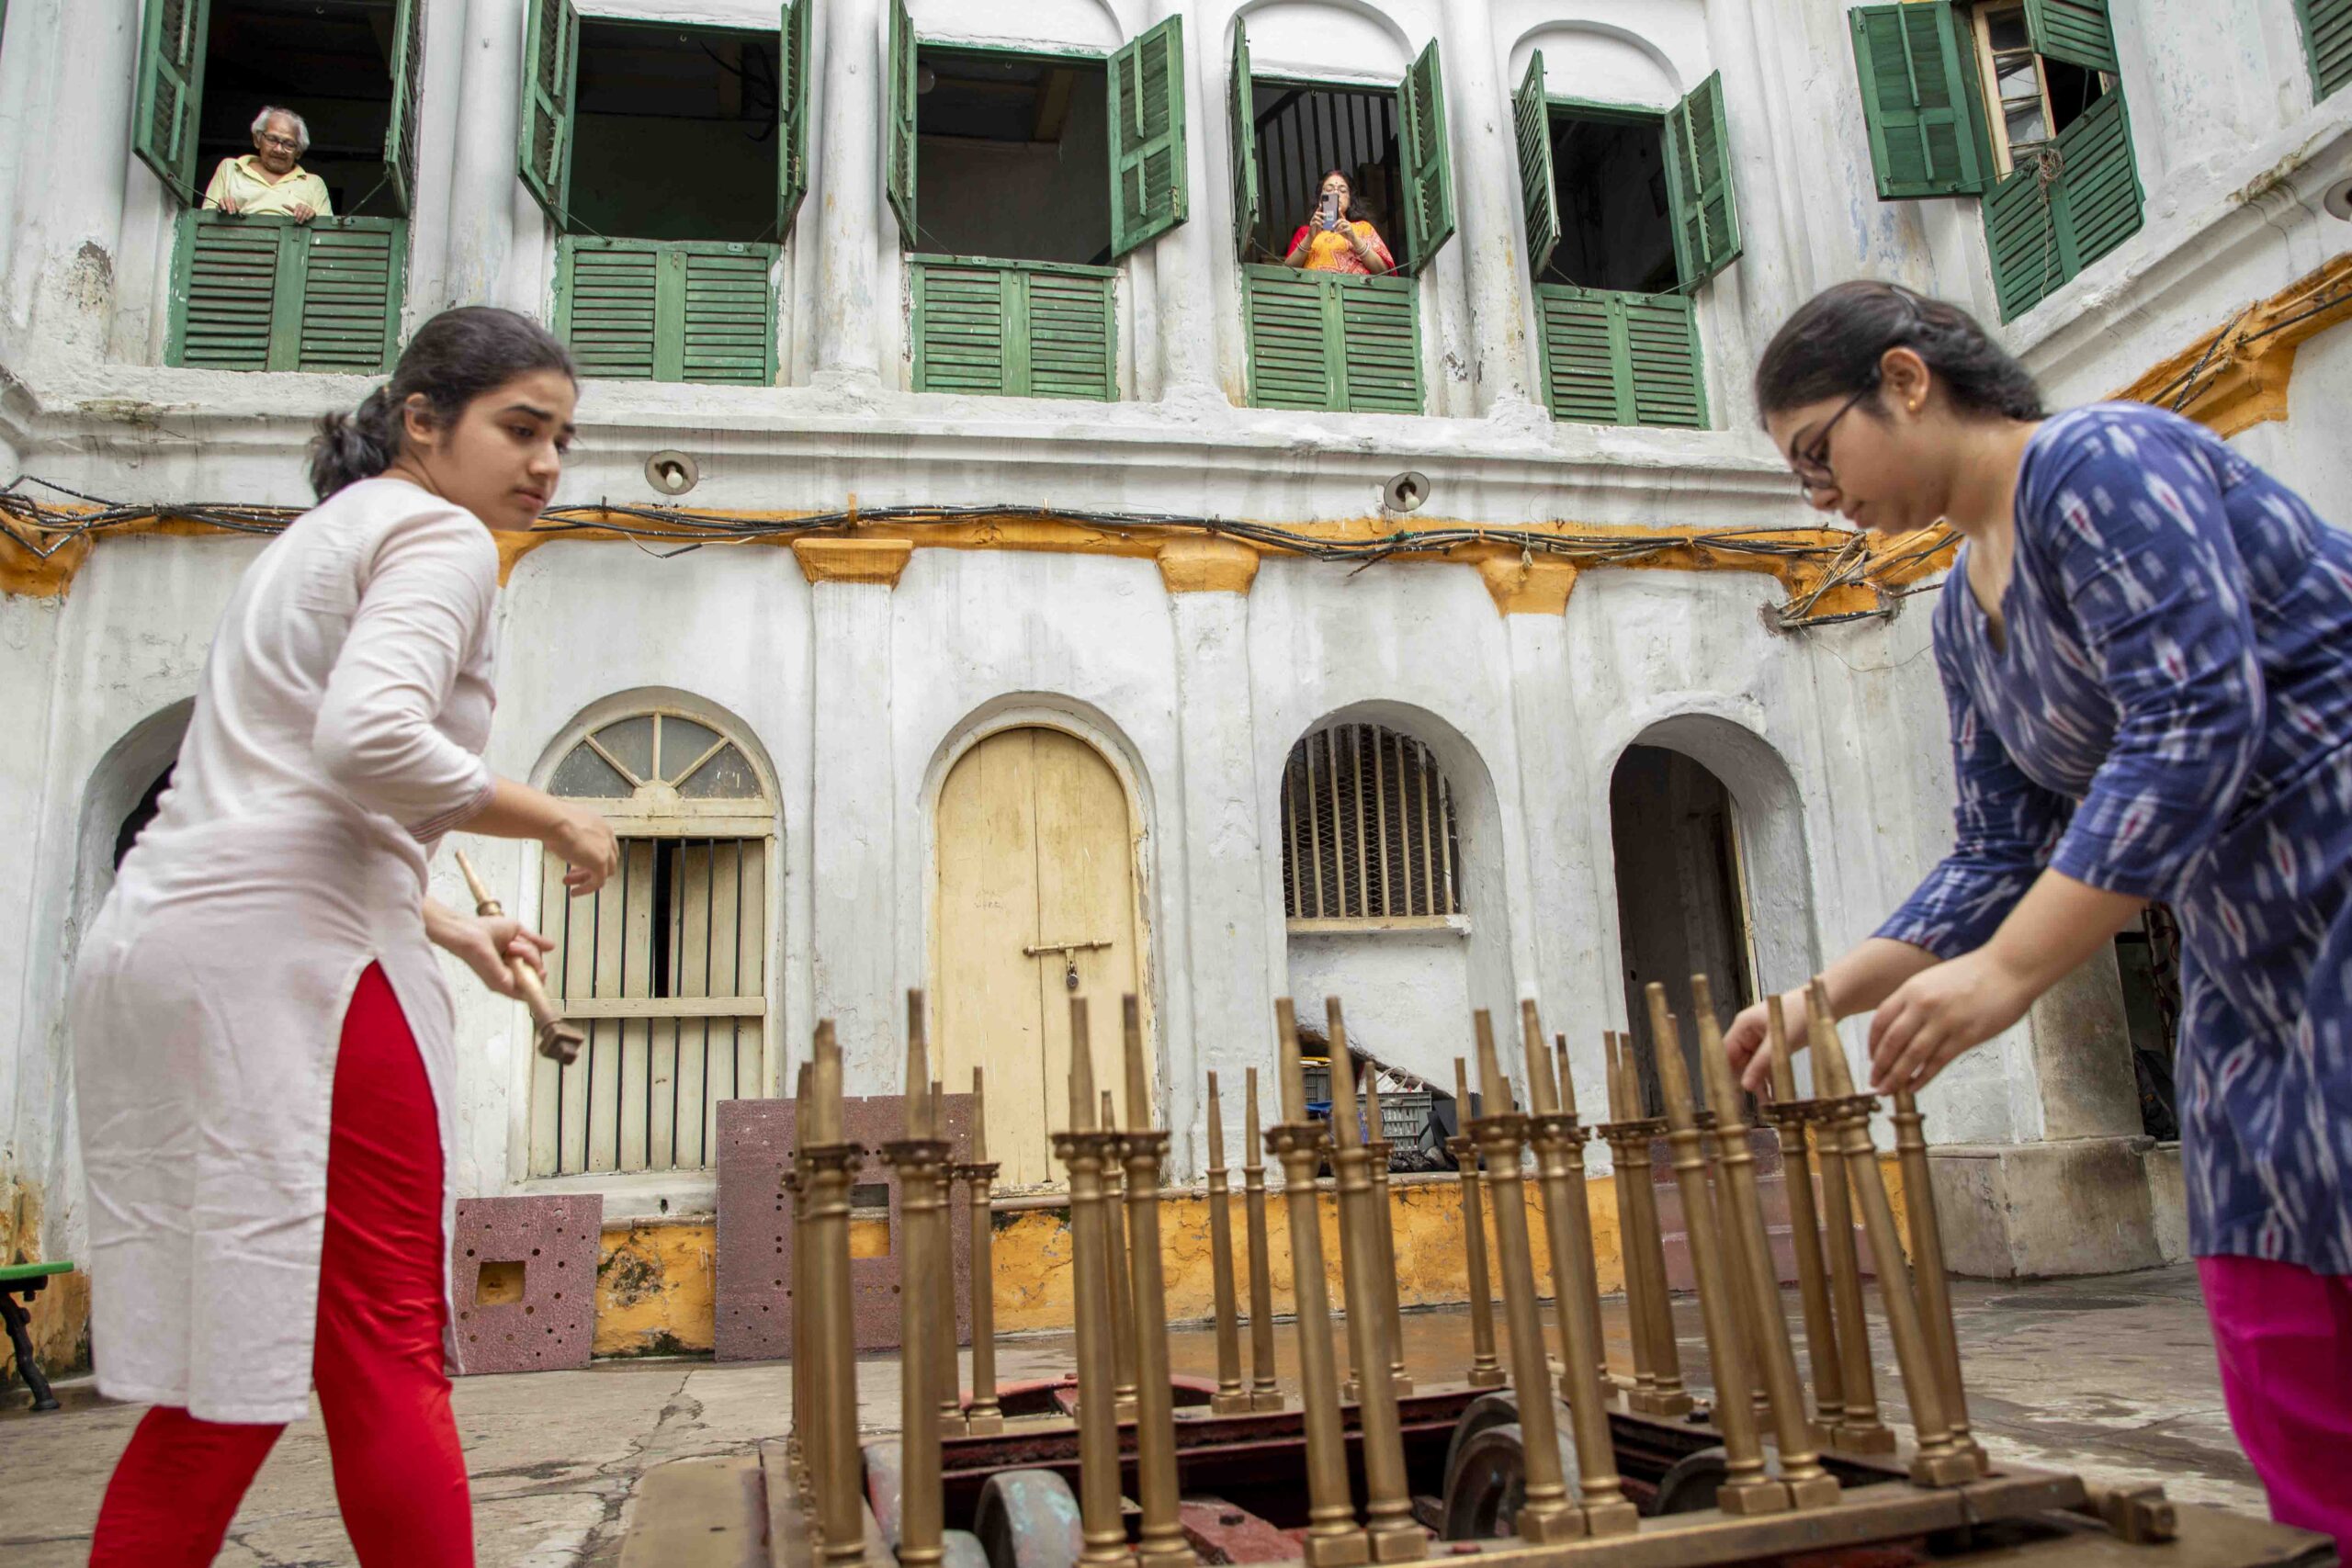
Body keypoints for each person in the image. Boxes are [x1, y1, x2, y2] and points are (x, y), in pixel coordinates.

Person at [1725, 280, 2352, 1548]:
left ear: (1906, 380)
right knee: (2266, 1275)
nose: (1821, 494)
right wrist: (1817, 999)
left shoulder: (2103, 460)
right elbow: (2000, 848)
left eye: (1817, 453)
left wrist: (2008, 975)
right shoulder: (1964, 610)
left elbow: (2195, 720)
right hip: (2248, 954)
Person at [74, 307, 619, 1567]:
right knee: (383, 1345)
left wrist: (438, 922)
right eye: (521, 428)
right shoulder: (439, 533)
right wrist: (558, 816)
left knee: (233, 1363)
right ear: (424, 421)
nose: (545, 464)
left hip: (177, 941)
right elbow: (367, 742)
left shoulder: (315, 539)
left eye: (563, 439)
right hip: (296, 969)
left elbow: (279, 790)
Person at [201, 107, 333, 220]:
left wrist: (312, 219)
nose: (279, 149)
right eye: (272, 139)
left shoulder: (314, 184)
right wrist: (221, 210)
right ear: (257, 140)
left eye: (289, 144)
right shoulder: (230, 168)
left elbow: (326, 236)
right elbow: (203, 219)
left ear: (298, 152)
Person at [1283, 169, 1394, 275]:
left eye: (1342, 190)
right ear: (1320, 199)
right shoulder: (1305, 232)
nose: (1335, 193)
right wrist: (1310, 238)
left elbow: (1383, 271)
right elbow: (1286, 272)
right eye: (1329, 189)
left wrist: (1354, 239)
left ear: (1350, 200)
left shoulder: (1364, 228)